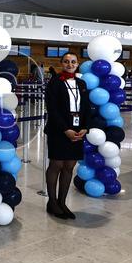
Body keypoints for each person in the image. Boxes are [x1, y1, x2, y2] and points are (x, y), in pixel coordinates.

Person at [43, 53, 91, 220]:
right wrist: (65, 129)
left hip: (77, 129)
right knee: (56, 164)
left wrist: (85, 127)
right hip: (58, 129)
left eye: (73, 62)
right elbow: (52, 109)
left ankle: (62, 202)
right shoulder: (55, 82)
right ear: (61, 64)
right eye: (66, 62)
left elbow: (86, 107)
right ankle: (52, 202)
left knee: (69, 166)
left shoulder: (81, 83)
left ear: (77, 64)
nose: (70, 64)